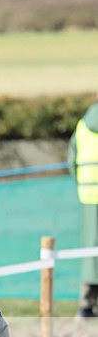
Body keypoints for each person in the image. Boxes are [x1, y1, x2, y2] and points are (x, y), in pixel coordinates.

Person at [68, 94, 98, 318]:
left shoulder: (82, 125)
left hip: (88, 195)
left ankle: (86, 304)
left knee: (90, 252)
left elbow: (72, 161)